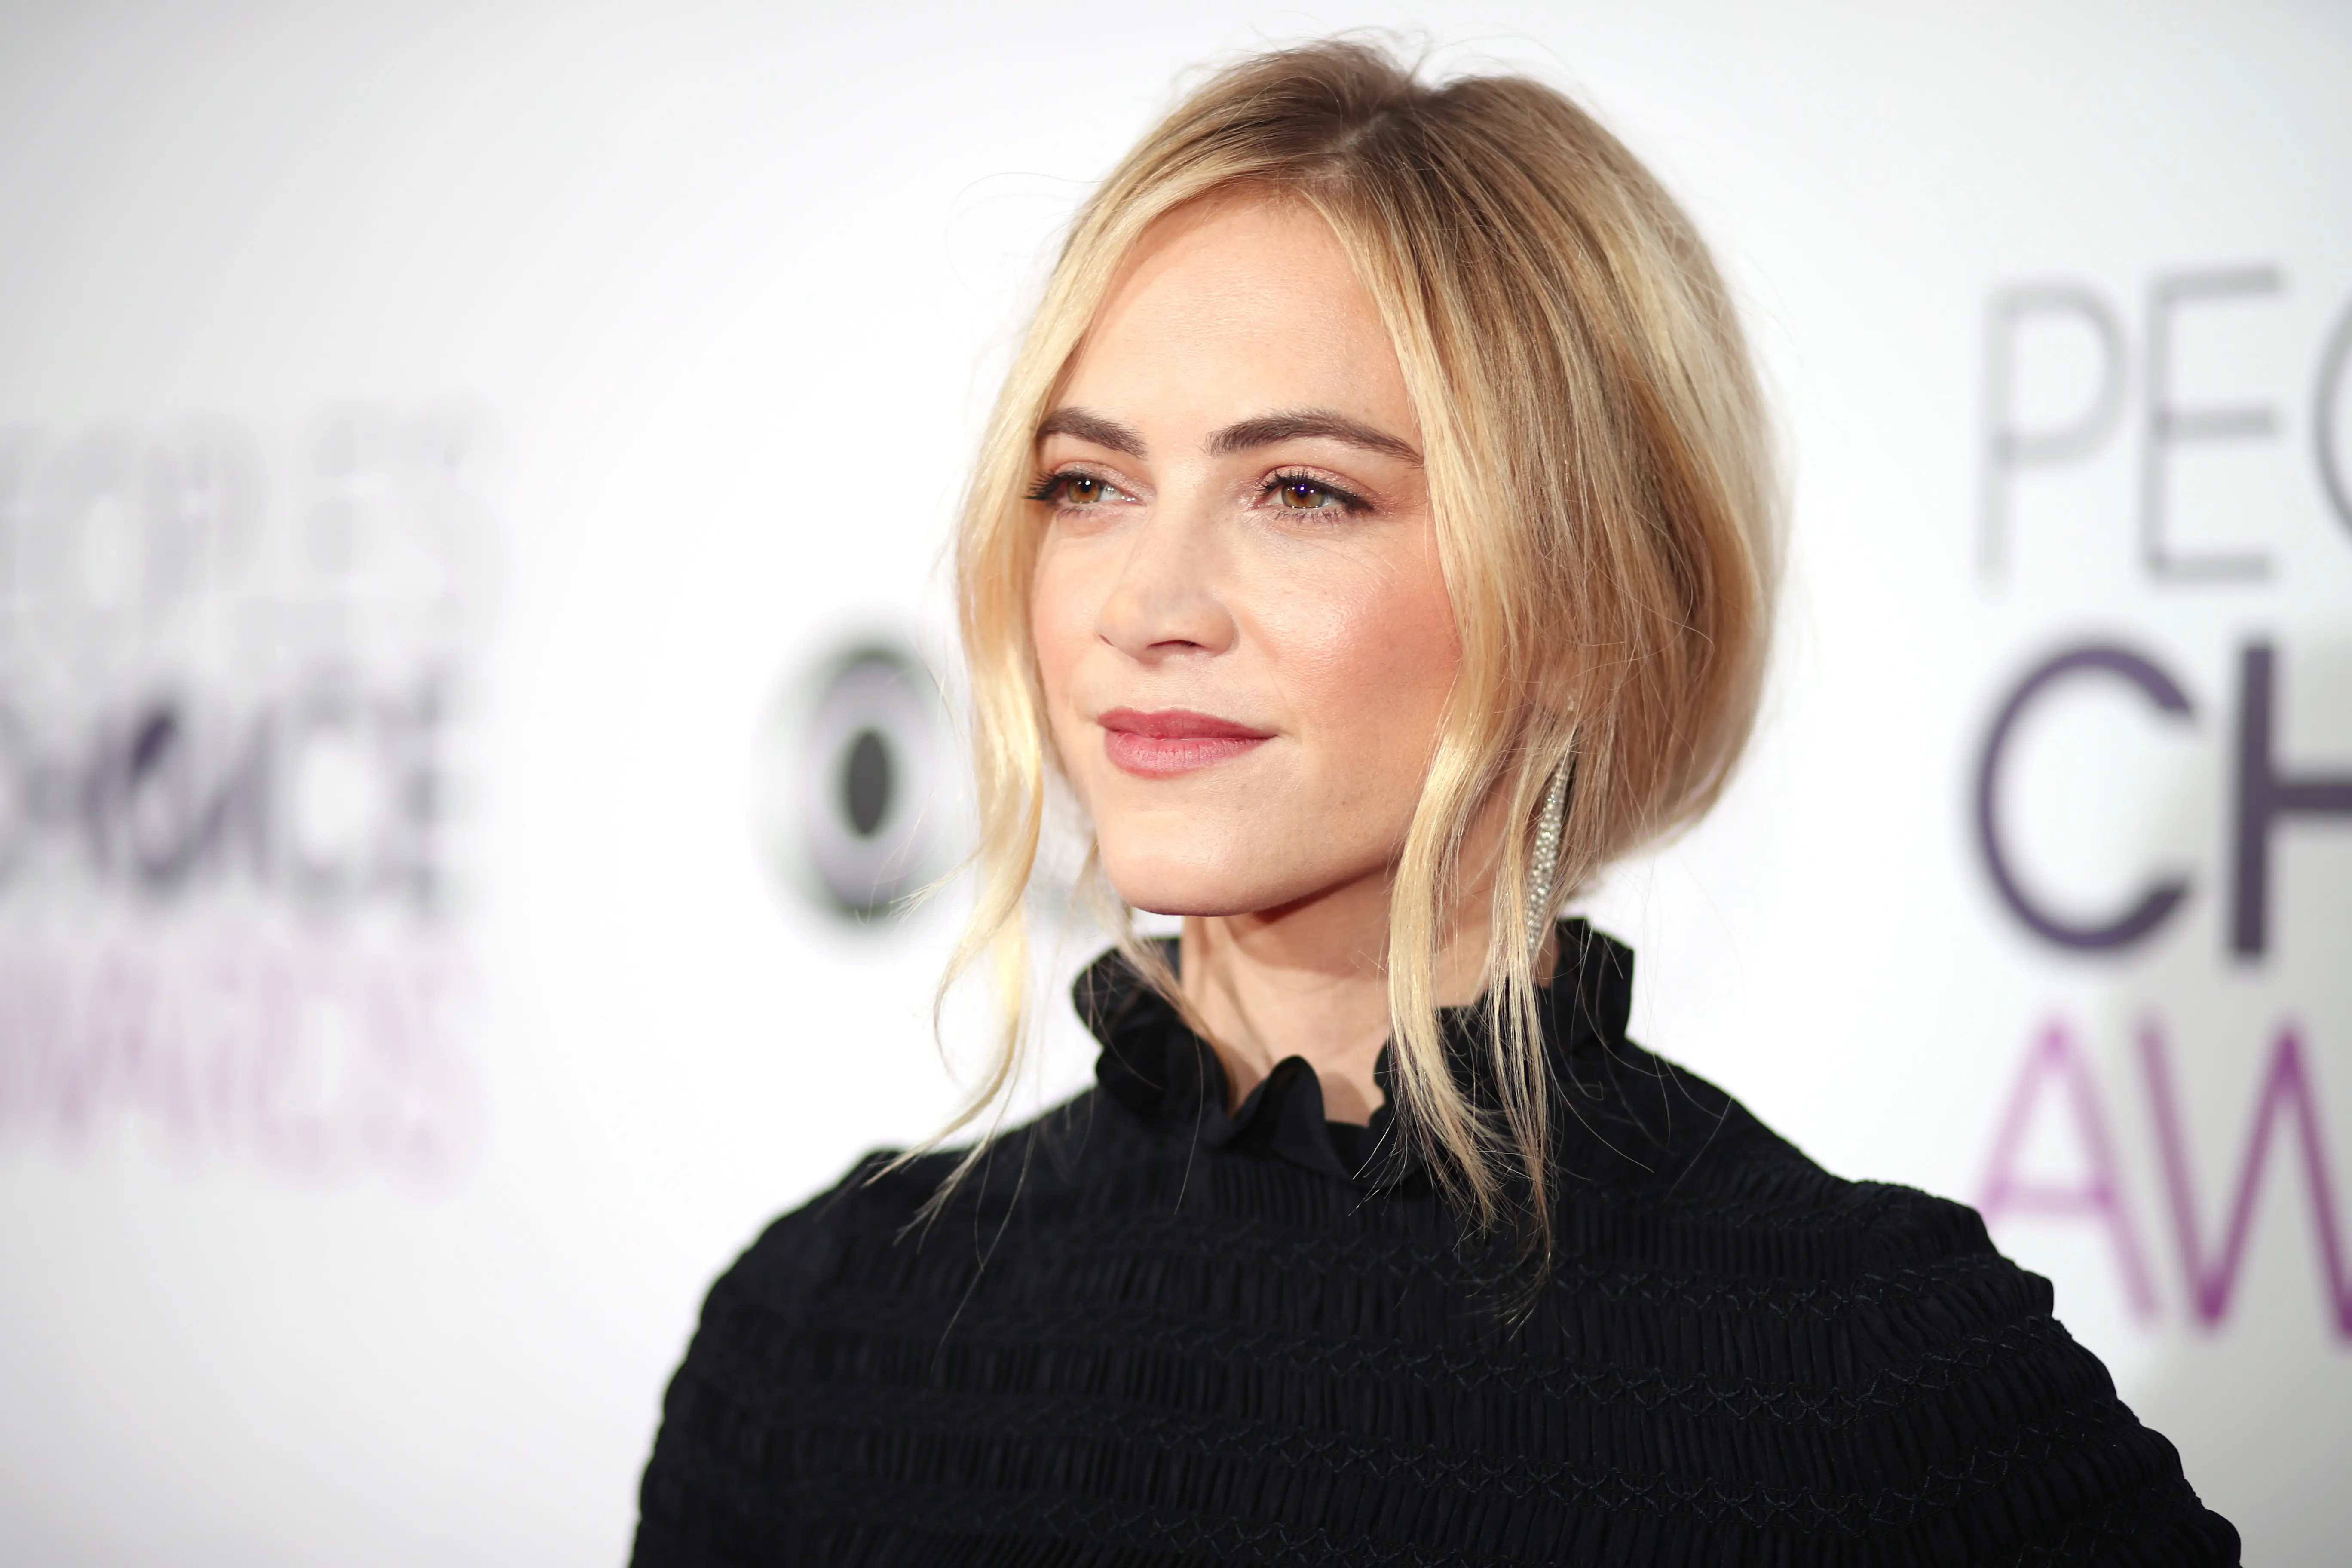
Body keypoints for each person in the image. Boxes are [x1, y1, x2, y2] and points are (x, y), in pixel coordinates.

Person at [634, 38, 2238, 1565]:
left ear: (1580, 596)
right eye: (1090, 484)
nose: (1148, 601)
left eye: (1303, 491)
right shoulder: (823, 1337)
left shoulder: (1866, 1375)